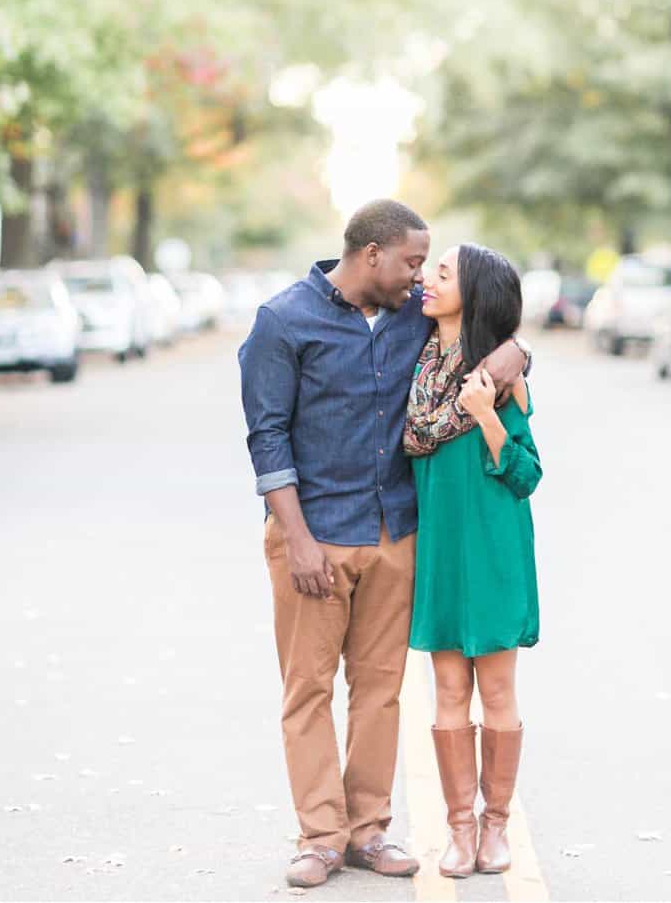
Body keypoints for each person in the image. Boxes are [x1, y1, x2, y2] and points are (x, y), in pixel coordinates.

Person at [238, 200, 531, 891]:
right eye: (410, 261)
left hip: (396, 533)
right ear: (371, 254)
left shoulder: (411, 316)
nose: (420, 276)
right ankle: (319, 835)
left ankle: (367, 829)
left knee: (380, 691)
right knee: (307, 689)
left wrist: (519, 352)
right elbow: (267, 436)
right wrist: (299, 539)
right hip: (313, 538)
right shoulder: (283, 321)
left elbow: (491, 325)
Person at [403, 244, 541, 878]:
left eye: (441, 272)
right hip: (440, 549)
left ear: (475, 293)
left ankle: (496, 828)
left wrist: (486, 416)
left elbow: (526, 474)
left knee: (498, 689)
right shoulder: (418, 360)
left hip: (494, 549)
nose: (425, 279)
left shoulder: (500, 377)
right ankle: (459, 829)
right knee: (450, 689)